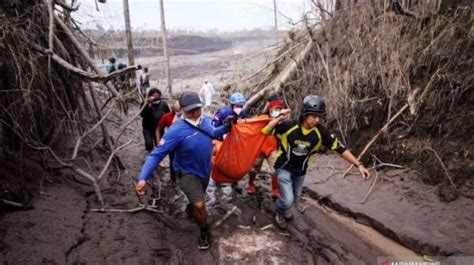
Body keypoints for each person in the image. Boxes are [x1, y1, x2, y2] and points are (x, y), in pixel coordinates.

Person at [135, 91, 232, 250]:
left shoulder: (204, 120)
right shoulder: (176, 130)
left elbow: (213, 133)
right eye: (190, 111)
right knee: (200, 206)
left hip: (204, 170)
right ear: (182, 110)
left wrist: (227, 126)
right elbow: (156, 154)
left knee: (197, 198)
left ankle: (192, 205)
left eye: (197, 110)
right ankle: (204, 231)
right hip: (186, 173)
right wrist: (143, 178)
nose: (194, 114)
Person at [262, 95, 371, 229]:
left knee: (295, 198)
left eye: (319, 116)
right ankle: (279, 211)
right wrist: (279, 117)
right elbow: (266, 130)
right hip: (283, 167)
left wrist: (358, 165)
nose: (317, 120)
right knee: (288, 200)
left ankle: (284, 206)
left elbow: (340, 148)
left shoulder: (321, 132)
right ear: (305, 114)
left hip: (300, 171)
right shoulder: (289, 126)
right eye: (314, 116)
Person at [247, 94, 286, 199]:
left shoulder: (282, 120)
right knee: (253, 169)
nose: (278, 110)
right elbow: (251, 127)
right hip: (259, 148)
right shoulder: (261, 118)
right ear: (270, 108)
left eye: (280, 108)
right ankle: (251, 184)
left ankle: (275, 190)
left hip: (272, 149)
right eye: (276, 108)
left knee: (276, 170)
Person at [155, 101, 182, 183]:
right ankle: (173, 180)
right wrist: (158, 142)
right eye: (177, 110)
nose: (178, 113)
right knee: (172, 161)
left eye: (180, 110)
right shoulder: (167, 117)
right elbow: (158, 129)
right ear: (173, 109)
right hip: (173, 144)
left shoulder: (187, 118)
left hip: (184, 143)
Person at [140, 88, 170, 152]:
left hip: (159, 128)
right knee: (149, 144)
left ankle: (157, 157)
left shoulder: (163, 104)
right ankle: (149, 152)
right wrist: (148, 106)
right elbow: (142, 115)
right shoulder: (145, 103)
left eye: (158, 97)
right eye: (154, 97)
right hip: (147, 128)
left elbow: (168, 115)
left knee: (159, 145)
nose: (156, 99)